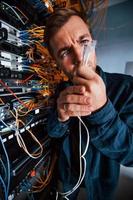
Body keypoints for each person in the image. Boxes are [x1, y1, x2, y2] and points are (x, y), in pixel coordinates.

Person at [46, 8, 133, 200]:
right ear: (57, 63)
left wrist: (103, 110)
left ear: (93, 43)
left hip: (100, 188)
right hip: (67, 180)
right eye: (65, 52)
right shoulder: (61, 91)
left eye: (84, 42)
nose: (79, 57)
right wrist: (60, 118)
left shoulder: (127, 88)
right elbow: (52, 132)